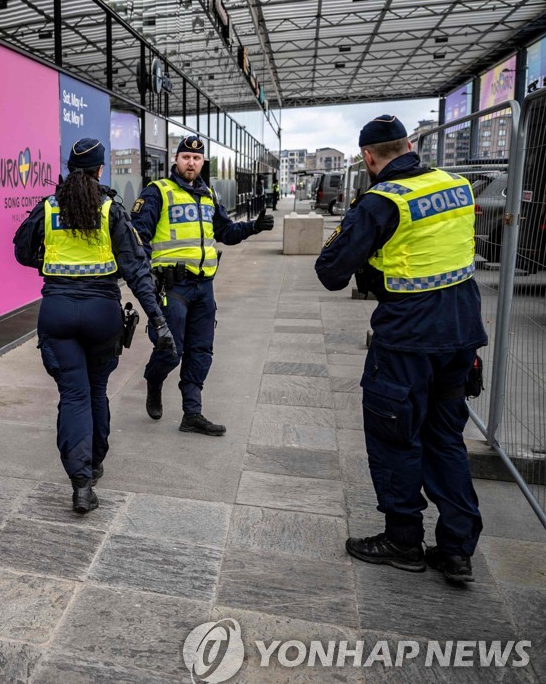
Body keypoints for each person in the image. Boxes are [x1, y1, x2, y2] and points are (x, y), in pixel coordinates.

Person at [315, 115, 485, 584]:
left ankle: (403, 539)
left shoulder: (382, 200)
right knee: (446, 439)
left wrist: (365, 244)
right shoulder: (458, 183)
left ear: (369, 158)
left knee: (396, 438)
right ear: (409, 144)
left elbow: (329, 271)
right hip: (462, 335)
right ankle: (456, 549)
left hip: (408, 339)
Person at [14, 138, 175, 513]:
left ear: (70, 168)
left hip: (57, 312)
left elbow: (21, 250)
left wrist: (47, 263)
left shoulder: (49, 207)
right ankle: (96, 463)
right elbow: (137, 270)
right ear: (101, 170)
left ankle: (81, 485)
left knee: (73, 396)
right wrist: (159, 320)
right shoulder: (110, 211)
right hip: (102, 313)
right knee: (97, 391)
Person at [131, 135, 273, 435]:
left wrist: (253, 227)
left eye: (196, 159)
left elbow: (226, 232)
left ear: (202, 162)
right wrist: (145, 278)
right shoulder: (158, 192)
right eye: (186, 157)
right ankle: (154, 380)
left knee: (201, 351)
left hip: (204, 287)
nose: (191, 163)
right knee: (171, 350)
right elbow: (138, 239)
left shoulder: (209, 195)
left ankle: (191, 414)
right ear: (176, 160)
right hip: (174, 288)